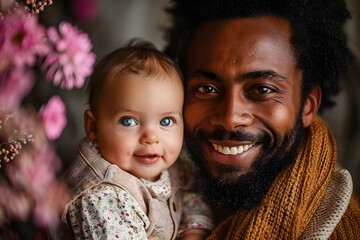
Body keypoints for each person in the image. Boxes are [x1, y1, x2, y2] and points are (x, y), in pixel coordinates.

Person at [165, 0, 360, 239]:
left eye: (263, 90)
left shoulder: (344, 231)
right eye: (206, 88)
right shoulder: (141, 187)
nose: (230, 118)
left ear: (308, 106)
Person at [60, 41, 214, 240]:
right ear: (93, 127)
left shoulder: (175, 171)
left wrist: (192, 233)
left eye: (166, 121)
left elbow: (194, 204)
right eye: (128, 121)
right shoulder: (101, 198)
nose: (151, 137)